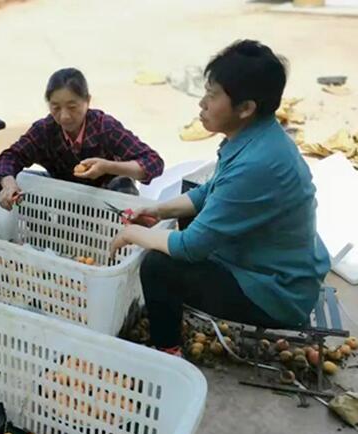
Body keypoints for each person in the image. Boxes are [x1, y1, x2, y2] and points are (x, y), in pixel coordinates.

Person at [109, 40, 330, 355]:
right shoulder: (258, 137)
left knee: (159, 267)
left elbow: (189, 247)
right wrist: (158, 211)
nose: (202, 104)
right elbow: (210, 191)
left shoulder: (258, 164)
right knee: (186, 213)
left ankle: (168, 354)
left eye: (212, 96)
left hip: (279, 293)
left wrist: (134, 234)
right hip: (271, 266)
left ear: (246, 108)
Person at [0, 68, 164, 209]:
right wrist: (8, 184)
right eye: (56, 107)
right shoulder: (44, 130)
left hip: (106, 201)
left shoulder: (105, 127)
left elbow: (153, 162)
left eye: (72, 107)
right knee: (22, 181)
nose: (64, 116)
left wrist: (108, 167)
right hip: (66, 200)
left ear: (87, 101)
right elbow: (10, 157)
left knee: (123, 184)